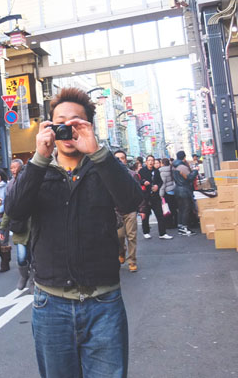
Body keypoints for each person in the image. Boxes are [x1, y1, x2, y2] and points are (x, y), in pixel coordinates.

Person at [8, 87, 143, 378]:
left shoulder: (103, 166)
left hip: (103, 303)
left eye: (76, 123)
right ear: (49, 128)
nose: (67, 131)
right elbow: (14, 211)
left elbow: (131, 202)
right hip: (50, 304)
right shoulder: (38, 170)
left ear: (89, 126)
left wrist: (98, 152)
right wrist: (38, 157)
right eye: (60, 123)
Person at [0, 159, 32, 290]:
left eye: (15, 168)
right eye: (11, 168)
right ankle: (24, 275)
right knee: (21, 257)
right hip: (20, 228)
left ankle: (33, 281)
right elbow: (8, 210)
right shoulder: (12, 187)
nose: (13, 170)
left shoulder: (35, 185)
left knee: (35, 258)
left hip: (36, 229)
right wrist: (2, 228)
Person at [114, 149, 141, 272]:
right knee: (119, 236)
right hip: (116, 212)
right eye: (117, 158)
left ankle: (132, 261)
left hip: (130, 210)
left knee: (132, 236)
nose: (120, 160)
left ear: (126, 160)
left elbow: (139, 193)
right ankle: (121, 251)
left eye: (122, 158)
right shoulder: (108, 175)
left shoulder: (132, 174)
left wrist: (142, 209)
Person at [138, 155, 173, 240]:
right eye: (149, 160)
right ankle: (146, 232)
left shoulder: (157, 171)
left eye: (152, 160)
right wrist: (143, 182)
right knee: (145, 215)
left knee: (160, 215)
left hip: (155, 196)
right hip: (145, 197)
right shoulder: (142, 171)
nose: (151, 162)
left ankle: (162, 233)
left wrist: (157, 186)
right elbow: (138, 181)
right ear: (146, 162)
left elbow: (160, 182)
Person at [172, 150, 198, 236]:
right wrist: (195, 171)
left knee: (181, 209)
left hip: (177, 189)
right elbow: (189, 178)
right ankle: (185, 227)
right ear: (184, 157)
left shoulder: (174, 166)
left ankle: (180, 226)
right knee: (186, 209)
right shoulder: (182, 167)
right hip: (184, 190)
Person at [159, 157, 178, 229]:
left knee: (167, 209)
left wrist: (161, 194)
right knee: (174, 208)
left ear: (162, 164)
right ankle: (176, 222)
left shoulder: (162, 172)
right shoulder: (171, 169)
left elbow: (163, 184)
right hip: (173, 190)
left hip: (167, 192)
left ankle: (169, 224)